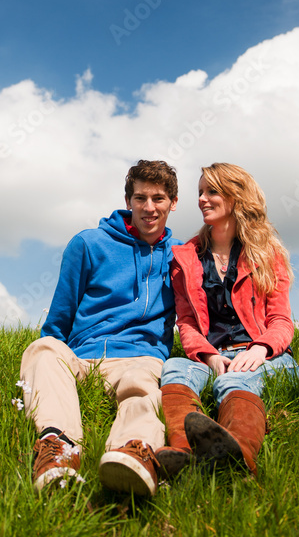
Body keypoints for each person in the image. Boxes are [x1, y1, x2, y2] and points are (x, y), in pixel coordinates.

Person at [19, 160, 179, 497]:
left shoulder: (181, 256)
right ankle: (59, 450)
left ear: (173, 204)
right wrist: (55, 352)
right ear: (128, 201)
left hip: (141, 357)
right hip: (84, 357)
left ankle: (132, 451)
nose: (149, 207)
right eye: (140, 198)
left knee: (143, 384)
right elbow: (61, 312)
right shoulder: (89, 244)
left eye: (159, 199)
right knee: (42, 349)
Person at [157, 162, 299, 478]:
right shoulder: (185, 257)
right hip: (215, 357)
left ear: (235, 197)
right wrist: (209, 356)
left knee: (235, 380)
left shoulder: (267, 253)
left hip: (265, 357)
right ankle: (183, 451)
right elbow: (187, 322)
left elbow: (281, 321)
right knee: (175, 367)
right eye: (200, 193)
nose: (202, 200)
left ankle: (239, 457)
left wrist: (259, 351)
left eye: (212, 191)